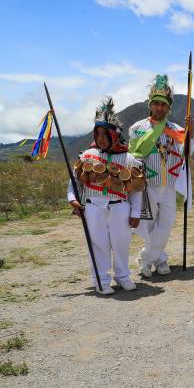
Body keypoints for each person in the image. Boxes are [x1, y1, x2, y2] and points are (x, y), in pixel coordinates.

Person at [68, 98, 144, 294]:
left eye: (105, 134)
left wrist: (135, 212)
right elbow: (74, 182)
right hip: (93, 207)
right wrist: (73, 199)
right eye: (98, 134)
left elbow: (135, 188)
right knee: (98, 244)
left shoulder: (128, 159)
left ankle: (122, 276)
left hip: (120, 206)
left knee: (121, 243)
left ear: (113, 135)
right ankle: (101, 279)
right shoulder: (87, 155)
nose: (101, 138)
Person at [128, 74, 190, 277]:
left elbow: (187, 152)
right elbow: (133, 156)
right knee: (151, 224)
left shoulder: (177, 130)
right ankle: (160, 260)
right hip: (148, 184)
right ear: (150, 105)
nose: (159, 108)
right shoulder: (137, 129)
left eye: (163, 105)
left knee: (166, 224)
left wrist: (190, 135)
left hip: (169, 184)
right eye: (156, 104)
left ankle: (146, 259)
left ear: (169, 108)